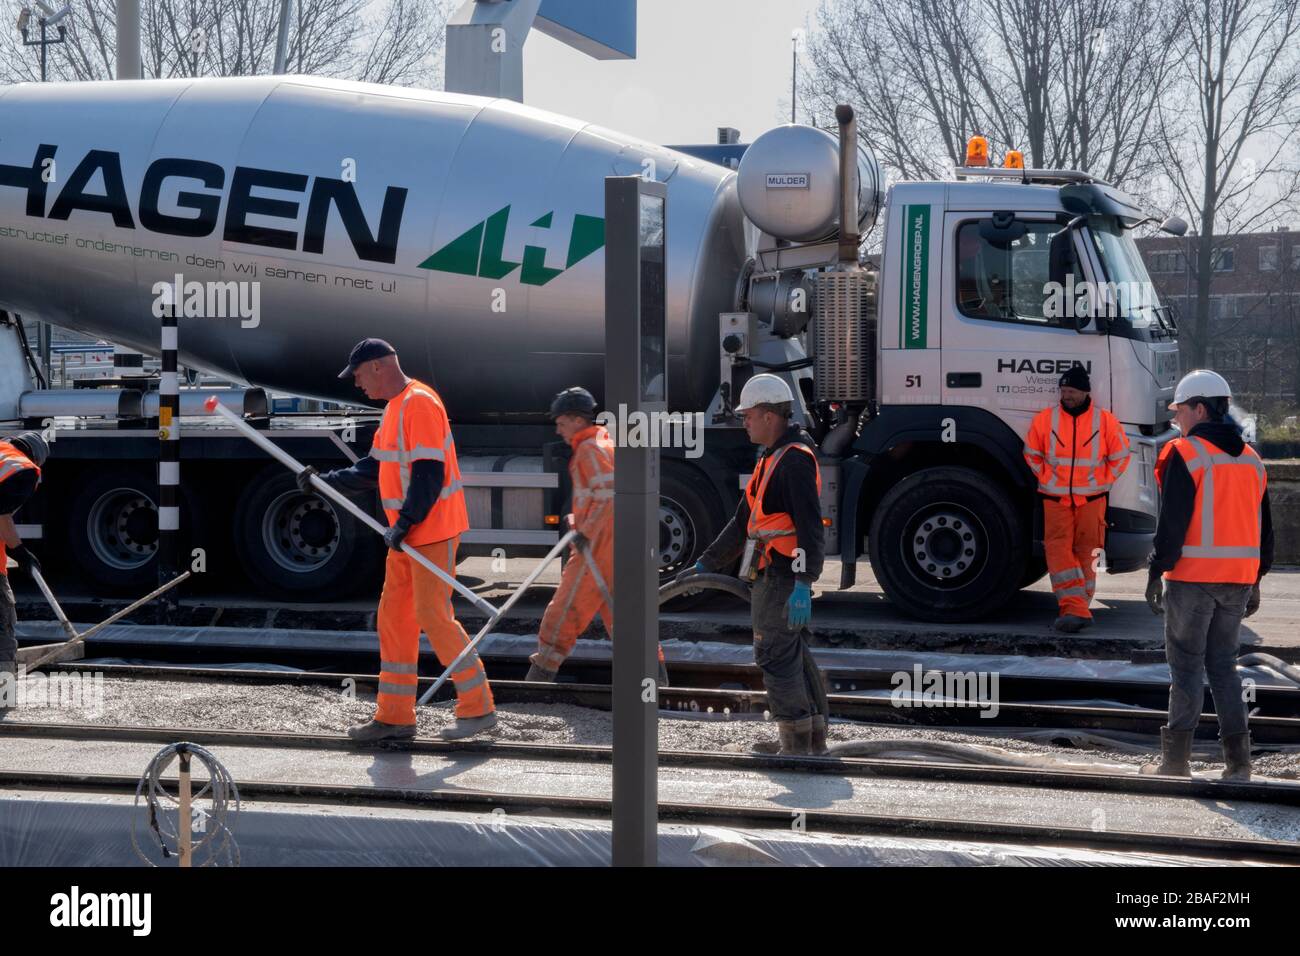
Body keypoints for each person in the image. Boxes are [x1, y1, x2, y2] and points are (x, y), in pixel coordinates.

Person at [298, 339, 495, 742]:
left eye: (357, 375)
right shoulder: (394, 407)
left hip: (430, 530)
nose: (357, 384)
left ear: (377, 366)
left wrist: (405, 522)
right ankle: (395, 717)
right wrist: (324, 483)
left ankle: (479, 708)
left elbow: (429, 473)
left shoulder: (420, 402)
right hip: (407, 536)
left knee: (432, 615)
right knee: (395, 619)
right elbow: (373, 468)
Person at [679, 374, 830, 755]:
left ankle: (794, 746)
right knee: (789, 655)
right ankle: (809, 740)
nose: (744, 422)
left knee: (775, 655)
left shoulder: (793, 461)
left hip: (782, 575)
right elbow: (742, 521)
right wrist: (706, 563)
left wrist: (803, 583)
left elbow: (811, 528)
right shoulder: (771, 458)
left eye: (748, 415)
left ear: (769, 416)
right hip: (772, 572)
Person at [1143, 369, 1271, 782]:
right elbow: (1265, 530)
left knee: (1185, 669)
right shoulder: (1252, 460)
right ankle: (1238, 763)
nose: (1176, 418)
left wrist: (1156, 570)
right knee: (1224, 669)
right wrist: (1256, 580)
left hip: (1192, 578)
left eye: (1180, 410)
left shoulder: (1186, 453)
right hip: (1236, 580)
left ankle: (1175, 762)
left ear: (1200, 408)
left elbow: (1173, 523)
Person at [525, 387, 667, 683]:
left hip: (597, 548)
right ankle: (658, 688)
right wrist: (578, 518)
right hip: (616, 544)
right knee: (629, 622)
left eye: (561, 422)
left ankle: (535, 686)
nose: (558, 428)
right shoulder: (603, 442)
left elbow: (607, 495)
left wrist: (584, 531)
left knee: (561, 616)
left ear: (577, 420)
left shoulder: (589, 449)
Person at [1023, 366, 1130, 632]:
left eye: (1071, 391)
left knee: (1089, 552)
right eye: (1063, 391)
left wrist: (1102, 482)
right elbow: (1031, 453)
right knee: (1058, 551)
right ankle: (1075, 608)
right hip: (1056, 497)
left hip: (1092, 499)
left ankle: (1078, 607)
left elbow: (1121, 456)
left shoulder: (1104, 421)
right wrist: (1048, 478)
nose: (1066, 395)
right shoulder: (1045, 419)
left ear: (1085, 392)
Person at [0, 431, 48, 707]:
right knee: (1, 629)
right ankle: (2, 698)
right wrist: (20, 551)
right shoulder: (24, 469)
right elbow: (1, 513)